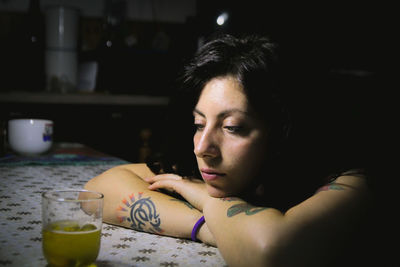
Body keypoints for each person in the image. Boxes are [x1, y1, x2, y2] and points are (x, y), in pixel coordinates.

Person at [85, 34, 372, 267]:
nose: (202, 147)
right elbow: (98, 191)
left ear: (281, 132)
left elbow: (271, 252)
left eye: (232, 127)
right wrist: (217, 227)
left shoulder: (352, 183)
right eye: (199, 123)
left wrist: (207, 201)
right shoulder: (215, 166)